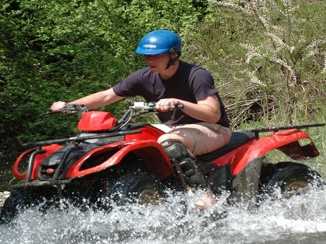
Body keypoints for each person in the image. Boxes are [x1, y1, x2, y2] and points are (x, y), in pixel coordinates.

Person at [51, 29, 232, 192]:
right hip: (174, 129)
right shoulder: (144, 76)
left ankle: (203, 196)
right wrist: (69, 105)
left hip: (212, 129)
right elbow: (107, 96)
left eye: (156, 55)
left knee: (169, 142)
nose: (149, 60)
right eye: (146, 55)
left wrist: (179, 103)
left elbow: (213, 114)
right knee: (127, 138)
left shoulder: (196, 75)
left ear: (174, 54)